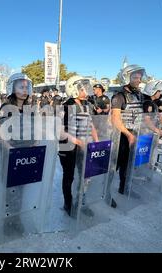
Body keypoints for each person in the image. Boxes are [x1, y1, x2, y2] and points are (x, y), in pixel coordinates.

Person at [0, 73, 34, 236]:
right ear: (12, 87)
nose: (24, 90)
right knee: (10, 189)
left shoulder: (30, 108)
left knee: (21, 188)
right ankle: (7, 219)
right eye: (21, 86)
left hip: (26, 153)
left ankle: (17, 218)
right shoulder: (6, 107)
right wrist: (8, 147)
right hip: (11, 153)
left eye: (27, 87)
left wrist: (34, 142)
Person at [58, 75, 99, 217]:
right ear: (73, 89)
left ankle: (81, 201)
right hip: (68, 147)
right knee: (69, 177)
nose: (86, 91)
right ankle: (68, 204)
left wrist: (96, 140)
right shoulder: (66, 106)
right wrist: (78, 142)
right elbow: (60, 131)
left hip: (85, 146)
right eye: (82, 89)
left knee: (86, 175)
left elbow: (91, 124)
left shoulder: (87, 104)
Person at [111, 65, 147, 195]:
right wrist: (128, 135)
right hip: (121, 136)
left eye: (139, 77)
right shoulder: (119, 96)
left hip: (134, 134)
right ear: (126, 78)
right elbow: (115, 119)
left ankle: (124, 188)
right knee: (114, 165)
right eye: (135, 77)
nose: (139, 80)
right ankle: (106, 192)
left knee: (128, 164)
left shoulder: (139, 95)